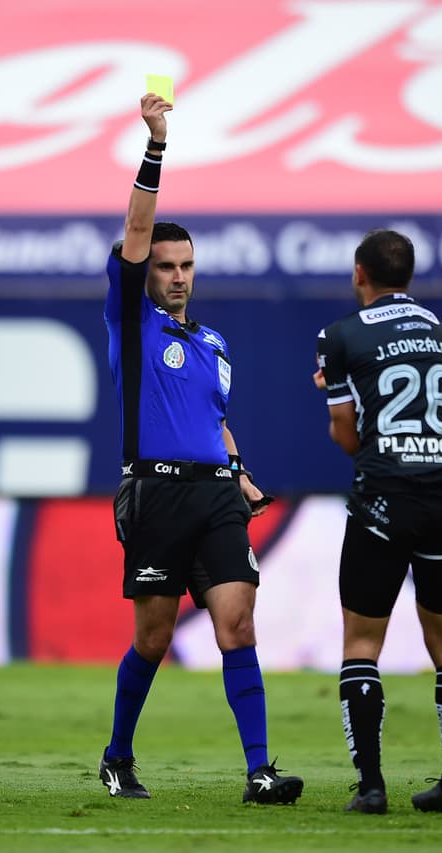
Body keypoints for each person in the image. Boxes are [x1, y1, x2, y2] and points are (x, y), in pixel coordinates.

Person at [96, 93, 302, 805]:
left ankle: (260, 769)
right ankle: (118, 755)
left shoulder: (213, 346)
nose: (177, 275)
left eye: (185, 265)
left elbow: (217, 422)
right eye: (165, 265)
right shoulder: (133, 324)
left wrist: (240, 473)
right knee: (152, 638)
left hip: (216, 494)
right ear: (145, 273)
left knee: (236, 621)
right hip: (156, 494)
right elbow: (136, 224)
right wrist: (156, 146)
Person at [313, 229, 442, 816]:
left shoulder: (338, 336)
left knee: (362, 643)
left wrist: (343, 396)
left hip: (387, 495)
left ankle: (372, 787)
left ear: (359, 273)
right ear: (408, 276)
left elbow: (348, 437)